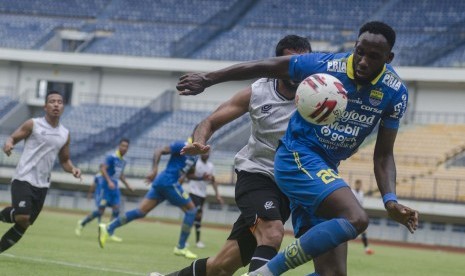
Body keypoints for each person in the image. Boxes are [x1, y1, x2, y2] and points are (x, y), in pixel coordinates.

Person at [175, 21, 419, 276]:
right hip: (275, 166)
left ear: (388, 58)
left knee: (224, 265)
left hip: (317, 174)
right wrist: (207, 80)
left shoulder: (388, 92)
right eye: (359, 51)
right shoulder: (278, 84)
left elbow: (383, 154)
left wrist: (390, 200)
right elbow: (255, 71)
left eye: (374, 56)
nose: (363, 61)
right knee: (334, 221)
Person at [150, 35, 313, 276]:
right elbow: (210, 121)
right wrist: (199, 141)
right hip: (256, 175)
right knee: (272, 233)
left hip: (288, 185)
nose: (298, 68)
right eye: (290, 61)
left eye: (304, 61)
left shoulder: (319, 92)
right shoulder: (258, 92)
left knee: (222, 266)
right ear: (277, 64)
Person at [0, 90, 81, 253]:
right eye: (52, 101)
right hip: (23, 177)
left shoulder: (65, 134)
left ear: (63, 107)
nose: (56, 104)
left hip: (42, 184)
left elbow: (64, 160)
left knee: (25, 223)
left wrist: (73, 169)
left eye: (59, 101)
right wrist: (9, 144)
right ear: (45, 106)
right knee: (22, 216)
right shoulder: (33, 124)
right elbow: (12, 138)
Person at [98, 140, 199, 259]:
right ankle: (181, 247)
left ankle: (108, 227)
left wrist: (204, 177)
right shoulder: (183, 145)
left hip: (165, 183)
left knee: (141, 211)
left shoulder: (196, 155)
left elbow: (189, 174)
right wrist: (154, 169)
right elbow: (159, 150)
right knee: (191, 210)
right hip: (168, 181)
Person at [75, 138, 133, 240]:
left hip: (114, 188)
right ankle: (82, 223)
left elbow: (120, 175)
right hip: (106, 187)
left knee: (117, 210)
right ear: (119, 146)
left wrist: (128, 185)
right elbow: (103, 168)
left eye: (126, 146)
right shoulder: (111, 157)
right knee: (100, 211)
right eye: (122, 145)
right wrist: (109, 181)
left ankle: (110, 231)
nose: (124, 148)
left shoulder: (124, 161)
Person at [184, 152, 223, 248]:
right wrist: (202, 177)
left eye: (208, 153)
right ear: (201, 154)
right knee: (197, 213)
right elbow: (189, 176)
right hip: (193, 192)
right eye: (204, 153)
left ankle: (197, 242)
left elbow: (213, 180)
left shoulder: (210, 166)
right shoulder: (196, 163)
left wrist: (217, 194)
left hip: (202, 194)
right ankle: (185, 240)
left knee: (197, 217)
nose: (206, 154)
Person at [351, 179, 374, 255]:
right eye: (358, 184)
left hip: (359, 213)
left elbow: (361, 204)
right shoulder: (351, 192)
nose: (359, 186)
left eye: (360, 184)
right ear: (355, 184)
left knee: (364, 231)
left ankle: (367, 249)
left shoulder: (361, 193)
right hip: (351, 213)